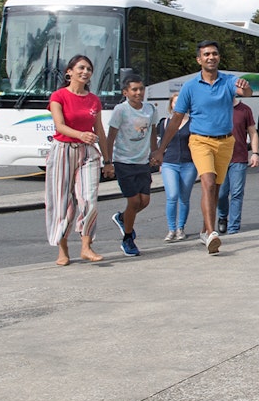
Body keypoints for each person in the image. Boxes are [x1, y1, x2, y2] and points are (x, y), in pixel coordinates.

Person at [150, 40, 253, 255]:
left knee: (215, 187)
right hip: (200, 140)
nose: (211, 57)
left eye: (214, 54)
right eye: (206, 54)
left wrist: (246, 88)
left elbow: (246, 93)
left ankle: (205, 229)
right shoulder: (189, 87)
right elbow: (177, 119)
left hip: (226, 141)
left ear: (218, 57)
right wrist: (161, 149)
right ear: (199, 59)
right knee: (207, 181)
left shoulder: (228, 80)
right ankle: (211, 233)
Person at [44, 54, 107, 266]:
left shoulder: (93, 100)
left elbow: (100, 131)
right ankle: (63, 250)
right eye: (81, 68)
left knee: (89, 198)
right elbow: (59, 126)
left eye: (89, 69)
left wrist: (109, 160)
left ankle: (86, 246)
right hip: (63, 150)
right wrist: (80, 134)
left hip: (87, 152)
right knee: (62, 201)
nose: (85, 72)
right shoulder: (58, 96)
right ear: (69, 72)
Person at [102, 73, 156, 257]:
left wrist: (155, 153)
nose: (138, 92)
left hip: (142, 161)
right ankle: (127, 238)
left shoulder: (149, 109)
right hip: (123, 161)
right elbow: (111, 136)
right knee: (133, 201)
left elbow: (152, 131)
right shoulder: (120, 110)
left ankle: (123, 218)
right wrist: (107, 161)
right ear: (126, 92)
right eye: (134, 89)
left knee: (145, 201)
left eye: (141, 89)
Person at [215, 99, 259, 235]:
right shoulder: (217, 107)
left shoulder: (244, 110)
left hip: (239, 157)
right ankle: (223, 216)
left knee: (237, 193)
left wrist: (255, 153)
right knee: (221, 194)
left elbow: (253, 133)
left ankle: (233, 228)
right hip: (220, 157)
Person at [158, 93, 196, 242]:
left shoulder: (192, 122)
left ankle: (181, 228)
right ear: (171, 105)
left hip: (188, 163)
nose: (178, 104)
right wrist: (160, 161)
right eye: (175, 102)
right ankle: (171, 229)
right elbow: (162, 143)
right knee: (172, 196)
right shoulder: (165, 122)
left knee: (184, 198)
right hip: (170, 163)